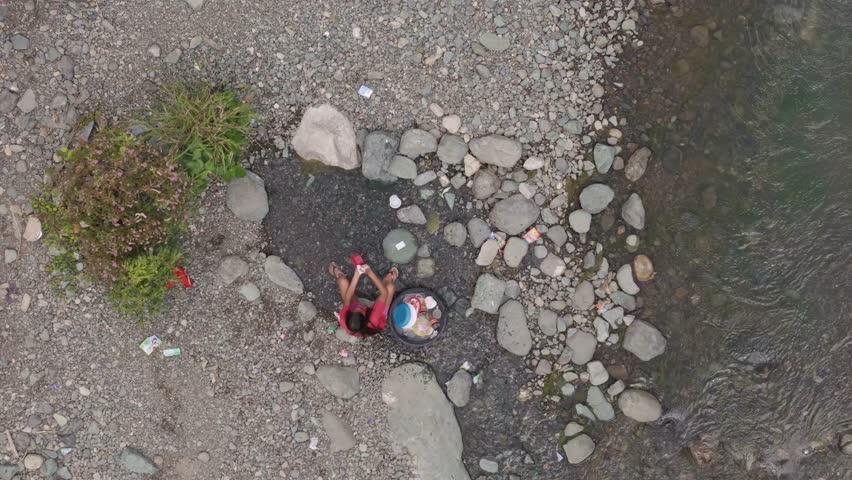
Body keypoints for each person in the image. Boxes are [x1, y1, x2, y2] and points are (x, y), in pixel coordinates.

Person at [329, 261, 398, 337]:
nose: (359, 307)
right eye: (360, 309)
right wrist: (370, 273)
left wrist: (357, 274)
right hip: (377, 314)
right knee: (390, 288)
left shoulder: (345, 317)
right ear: (366, 317)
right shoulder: (373, 319)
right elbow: (384, 293)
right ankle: (388, 279)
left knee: (342, 281)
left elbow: (348, 298)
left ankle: (337, 273)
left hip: (359, 311)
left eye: (355, 309)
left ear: (349, 313)